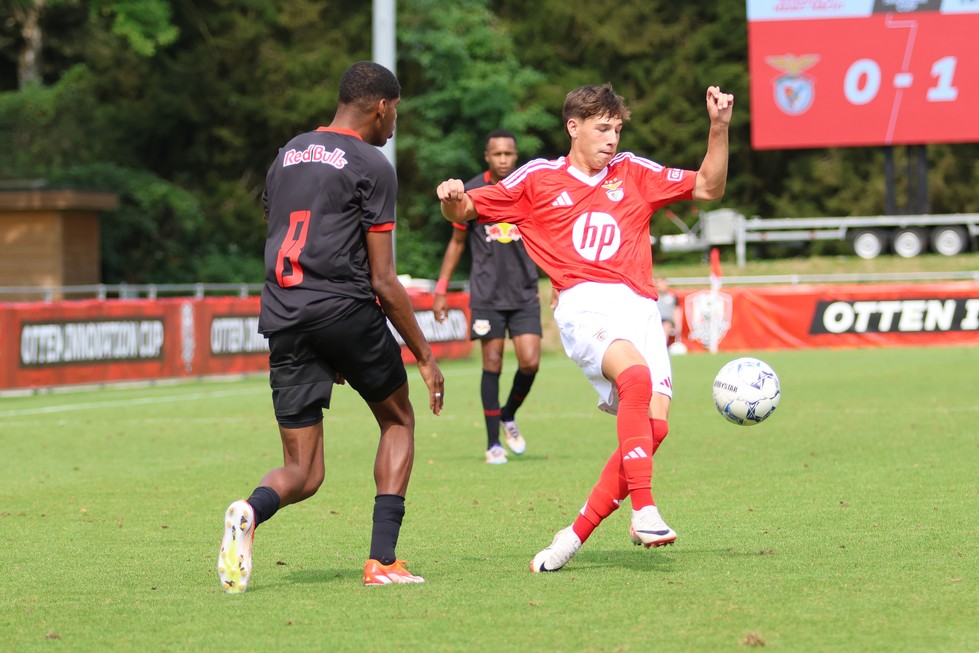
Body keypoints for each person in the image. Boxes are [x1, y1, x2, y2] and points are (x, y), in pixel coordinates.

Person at [437, 83, 733, 572]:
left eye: (617, 129)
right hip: (583, 307)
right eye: (602, 128)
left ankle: (572, 536)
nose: (612, 139)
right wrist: (451, 197)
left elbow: (708, 186)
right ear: (573, 127)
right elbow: (466, 208)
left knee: (653, 429)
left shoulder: (634, 171)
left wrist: (718, 128)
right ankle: (644, 510)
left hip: (640, 309)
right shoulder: (538, 179)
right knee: (634, 380)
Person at [217, 61, 444, 592]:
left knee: (303, 472)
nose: (394, 127)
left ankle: (249, 510)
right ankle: (382, 561)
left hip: (285, 316)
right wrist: (426, 358)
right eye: (396, 114)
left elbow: (283, 235)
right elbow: (385, 281)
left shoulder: (286, 156)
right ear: (381, 107)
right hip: (344, 310)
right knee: (399, 421)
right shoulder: (372, 163)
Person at [432, 129, 542, 465]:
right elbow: (457, 243)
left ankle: (508, 414)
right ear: (487, 157)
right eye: (498, 154)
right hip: (487, 295)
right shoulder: (472, 191)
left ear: (515, 155)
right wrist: (441, 289)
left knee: (530, 361)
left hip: (524, 293)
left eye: (509, 154)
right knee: (491, 363)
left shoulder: (527, 188)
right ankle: (493, 442)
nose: (504, 160)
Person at [654, 275, 679, 345]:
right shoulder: (653, 296)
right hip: (655, 319)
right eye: (658, 284)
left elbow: (676, 311)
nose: (660, 286)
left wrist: (676, 325)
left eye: (662, 283)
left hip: (667, 320)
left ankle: (662, 345)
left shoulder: (672, 296)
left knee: (666, 324)